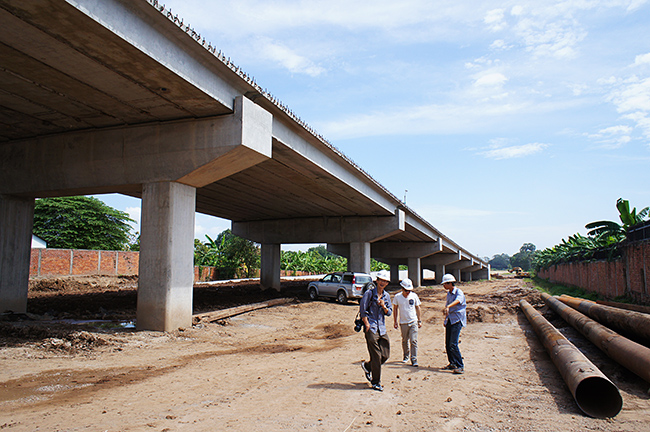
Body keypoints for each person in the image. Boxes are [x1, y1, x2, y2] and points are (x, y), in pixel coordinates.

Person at [360, 269, 393, 391]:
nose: (382, 283)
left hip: (382, 328)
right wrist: (366, 324)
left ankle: (368, 366)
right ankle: (376, 382)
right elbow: (363, 310)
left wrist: (383, 306)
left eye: (385, 281)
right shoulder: (369, 293)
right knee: (376, 355)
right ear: (377, 281)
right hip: (371, 327)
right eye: (381, 280)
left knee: (385, 354)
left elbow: (389, 312)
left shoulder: (387, 296)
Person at [392, 278, 422, 367]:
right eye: (406, 290)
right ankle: (406, 356)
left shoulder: (414, 296)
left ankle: (414, 359)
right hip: (403, 322)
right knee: (405, 340)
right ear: (402, 288)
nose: (407, 292)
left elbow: (418, 307)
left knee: (414, 341)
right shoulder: (397, 297)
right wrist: (395, 321)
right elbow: (395, 309)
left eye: (409, 290)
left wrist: (419, 320)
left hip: (413, 321)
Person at [441, 273, 466, 374]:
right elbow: (447, 307)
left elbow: (458, 300)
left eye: (445, 284)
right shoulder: (449, 294)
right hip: (450, 320)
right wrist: (445, 319)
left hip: (457, 320)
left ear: (450, 283)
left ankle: (460, 365)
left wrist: (449, 306)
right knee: (447, 344)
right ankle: (452, 363)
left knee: (453, 344)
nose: (444, 286)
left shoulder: (459, 292)